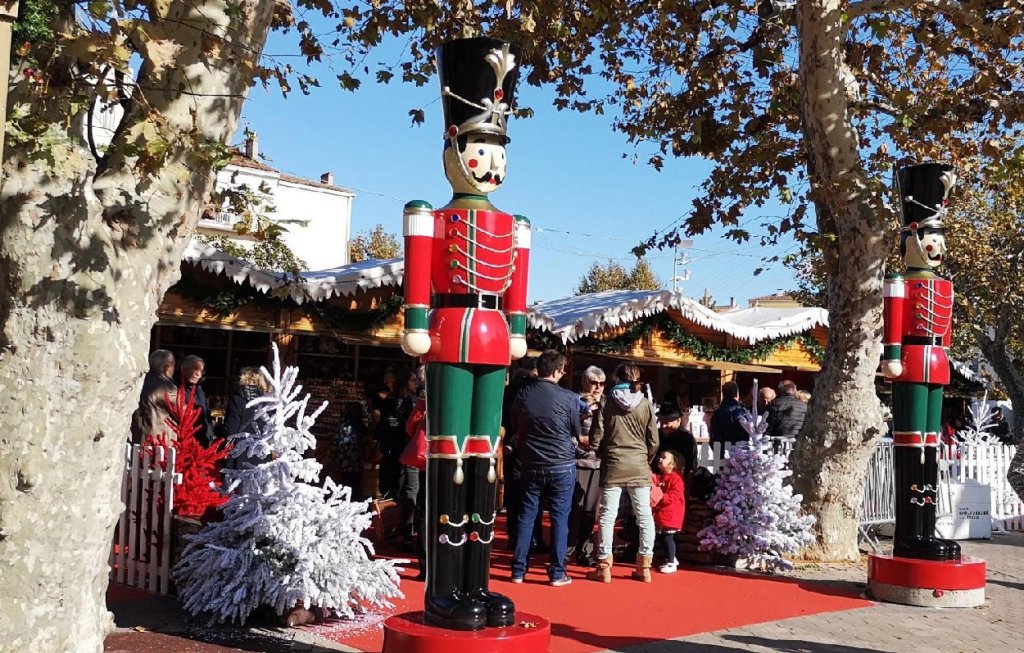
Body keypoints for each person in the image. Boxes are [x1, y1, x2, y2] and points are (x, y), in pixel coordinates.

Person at [398, 36, 531, 631]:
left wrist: (519, 329)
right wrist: (415, 323)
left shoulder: (515, 223)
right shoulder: (433, 214)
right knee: (447, 454)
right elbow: (419, 278)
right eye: (480, 148)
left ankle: (476, 580)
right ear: (453, 146)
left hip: (494, 337)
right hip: (450, 333)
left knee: (486, 456)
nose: (491, 162)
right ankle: (443, 589)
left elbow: (517, 291)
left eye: (498, 150)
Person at [880, 162, 960, 562]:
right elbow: (893, 324)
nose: (937, 246)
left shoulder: (944, 284)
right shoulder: (900, 282)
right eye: (931, 236)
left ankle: (927, 526)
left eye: (940, 237)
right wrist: (891, 356)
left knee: (932, 444)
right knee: (911, 443)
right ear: (911, 236)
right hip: (910, 362)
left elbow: (944, 330)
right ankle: (910, 533)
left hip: (936, 362)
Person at [508, 350, 580, 587]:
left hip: (532, 461)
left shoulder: (523, 394)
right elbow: (575, 431)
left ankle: (519, 570)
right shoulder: (568, 397)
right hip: (561, 463)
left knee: (527, 515)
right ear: (558, 371)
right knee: (559, 517)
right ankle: (557, 572)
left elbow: (514, 425)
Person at [588, 363, 659, 584]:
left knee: (608, 516)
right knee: (644, 515)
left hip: (613, 463)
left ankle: (604, 566)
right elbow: (653, 440)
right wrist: (645, 459)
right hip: (638, 464)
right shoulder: (645, 404)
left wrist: (600, 450)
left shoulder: (607, 402)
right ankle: (644, 566)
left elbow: (596, 437)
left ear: (617, 378)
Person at [567, 365, 605, 567]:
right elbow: (565, 430)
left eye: (601, 383)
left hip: (598, 463)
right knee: (575, 508)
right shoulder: (574, 402)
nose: (598, 387)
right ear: (584, 382)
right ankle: (567, 549)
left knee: (591, 510)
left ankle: (585, 550)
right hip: (578, 461)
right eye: (594, 383)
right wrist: (578, 440)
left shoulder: (607, 404)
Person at [223, 366, 271, 469]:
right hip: (260, 455)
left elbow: (230, 430)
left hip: (239, 454)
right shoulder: (267, 403)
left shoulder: (237, 400)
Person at [130, 349, 177, 444]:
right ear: (167, 368)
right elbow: (183, 413)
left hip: (138, 438)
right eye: (173, 366)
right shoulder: (166, 387)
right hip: (160, 441)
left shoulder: (138, 383)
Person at [651, 450, 686, 574]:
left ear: (672, 464)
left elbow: (674, 495)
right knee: (662, 538)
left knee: (668, 538)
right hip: (661, 514)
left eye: (664, 458)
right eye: (660, 457)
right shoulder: (660, 477)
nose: (660, 460)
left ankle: (671, 562)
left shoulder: (676, 479)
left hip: (671, 514)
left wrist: (660, 496)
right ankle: (671, 558)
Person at [180, 355, 214, 446]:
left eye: (201, 371)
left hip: (202, 440)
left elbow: (206, 415)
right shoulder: (175, 389)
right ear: (183, 369)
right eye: (194, 369)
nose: (197, 374)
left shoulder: (200, 390)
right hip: (185, 440)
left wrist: (210, 433)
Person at [335, 402, 368, 495]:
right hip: (357, 459)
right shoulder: (361, 426)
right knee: (356, 481)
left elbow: (336, 441)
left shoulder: (343, 426)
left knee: (346, 481)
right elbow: (365, 440)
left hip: (344, 459)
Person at [656, 403, 697, 476]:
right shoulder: (656, 435)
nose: (664, 425)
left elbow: (690, 466)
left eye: (667, 422)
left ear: (678, 420)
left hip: (679, 480)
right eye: (662, 421)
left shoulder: (686, 438)